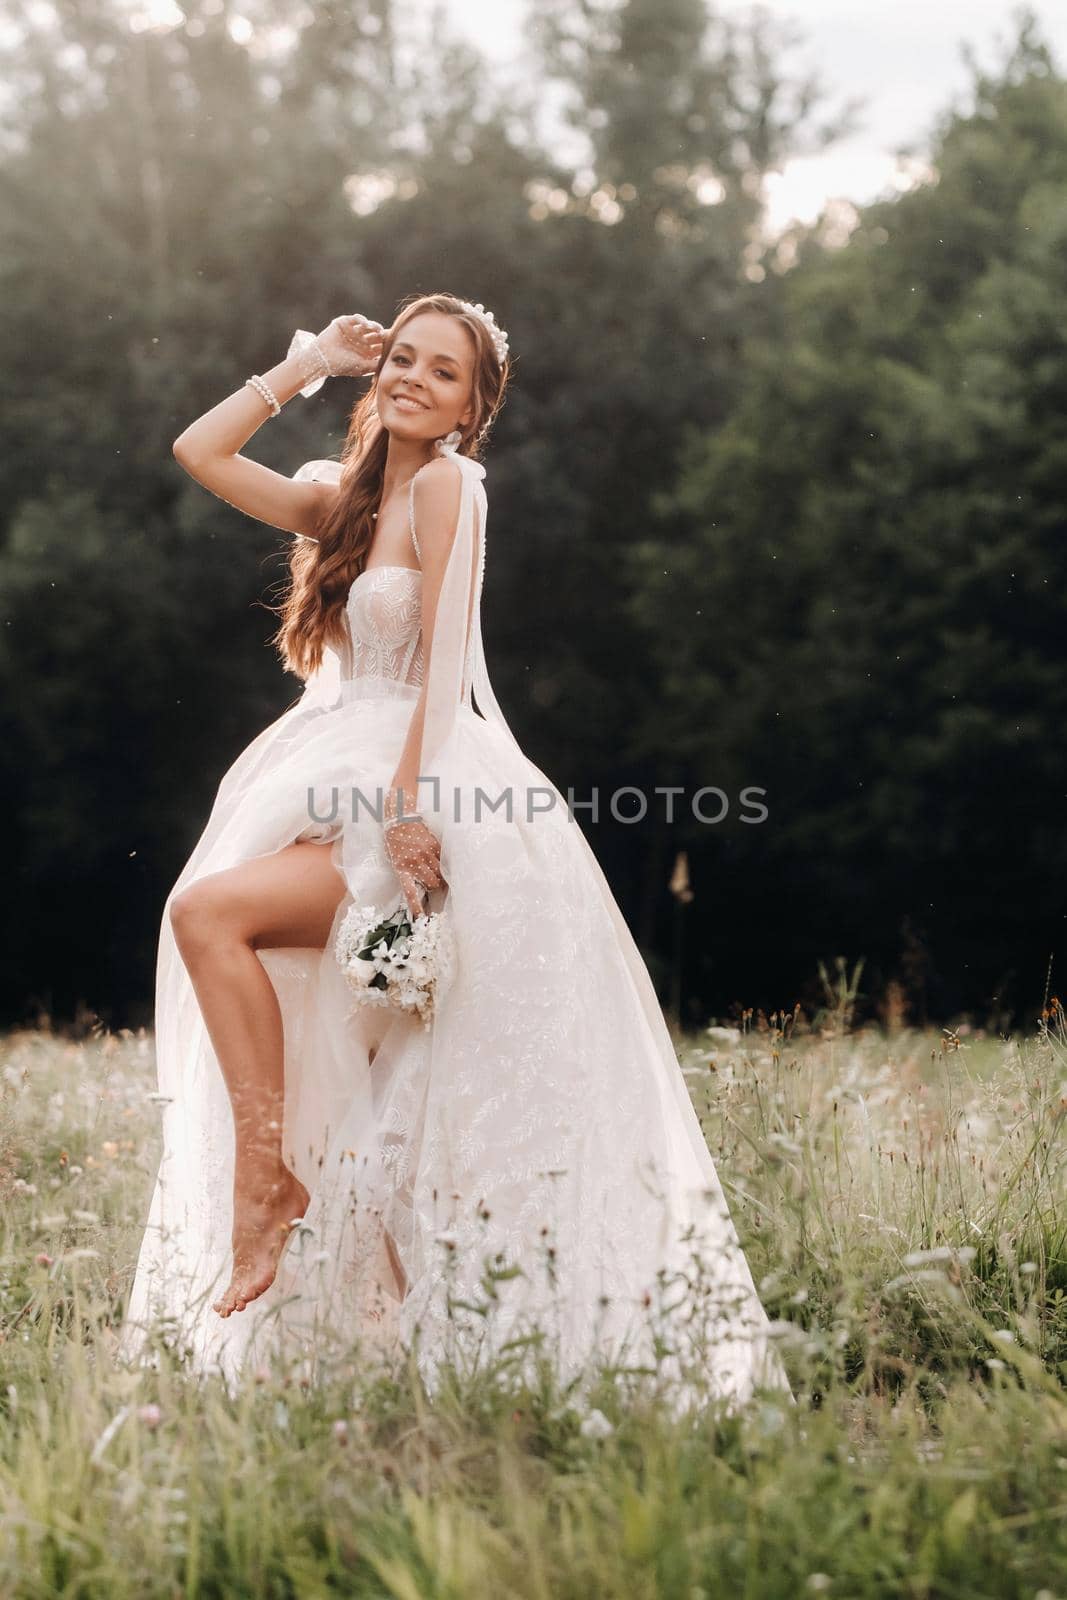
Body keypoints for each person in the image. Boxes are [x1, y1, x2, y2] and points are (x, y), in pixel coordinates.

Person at [117, 292, 793, 1413]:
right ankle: (285, 1199)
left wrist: (405, 806)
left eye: (445, 372)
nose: (414, 379)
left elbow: (444, 662)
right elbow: (199, 450)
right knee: (263, 967)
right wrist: (307, 365)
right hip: (326, 764)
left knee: (367, 1039)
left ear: (473, 408)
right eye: (405, 359)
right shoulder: (336, 501)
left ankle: (285, 1195)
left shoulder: (447, 488)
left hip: (421, 784)